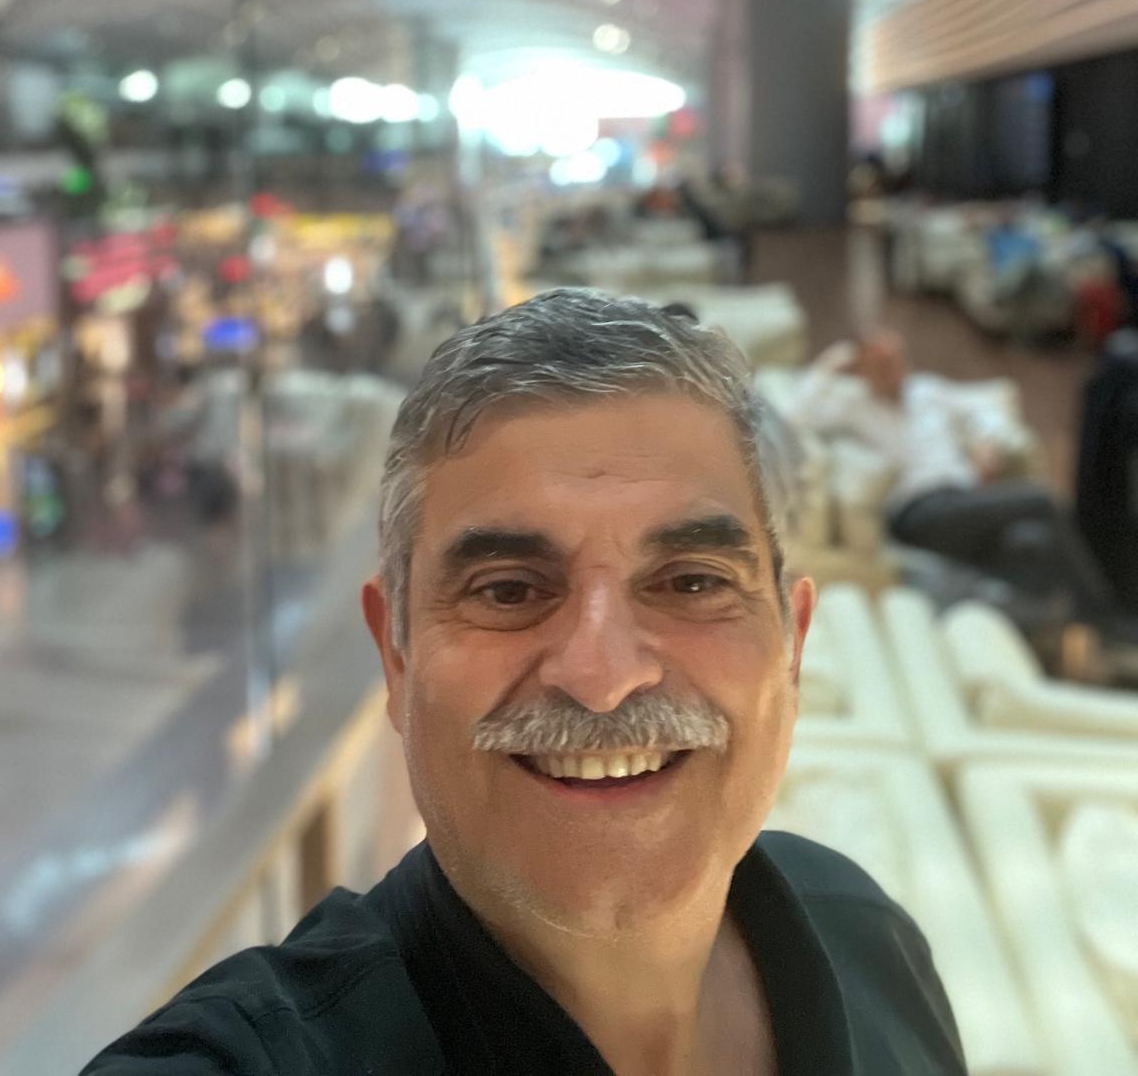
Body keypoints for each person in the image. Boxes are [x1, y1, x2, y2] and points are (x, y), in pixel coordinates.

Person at [82, 290, 967, 1076]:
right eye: (508, 590)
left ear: (793, 645)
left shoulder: (869, 941)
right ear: (396, 654)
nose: (604, 677)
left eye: (693, 581)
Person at [790, 329, 1111, 616]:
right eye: (881, 365)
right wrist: (833, 361)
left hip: (963, 501)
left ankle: (1044, 632)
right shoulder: (855, 406)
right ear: (863, 371)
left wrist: (987, 442)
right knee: (1042, 500)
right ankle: (1107, 613)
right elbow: (799, 415)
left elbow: (985, 411)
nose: (893, 370)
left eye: (896, 359)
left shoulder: (927, 390)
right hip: (918, 512)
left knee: (1029, 541)